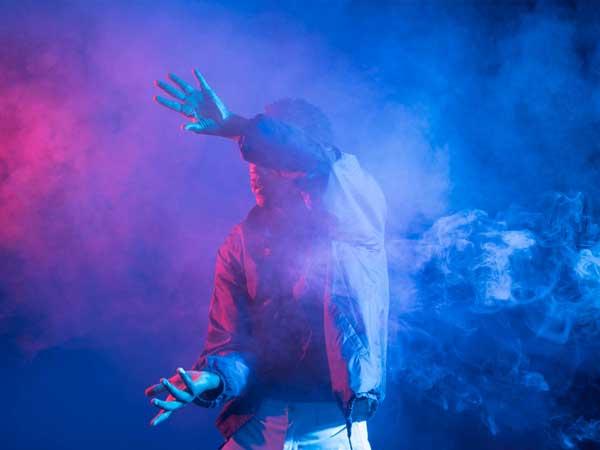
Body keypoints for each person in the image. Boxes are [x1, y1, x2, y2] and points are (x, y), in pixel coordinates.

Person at [145, 69, 389, 450]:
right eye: (253, 157)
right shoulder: (240, 244)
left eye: (267, 158)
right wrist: (213, 378)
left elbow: (321, 163)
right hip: (258, 426)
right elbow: (234, 347)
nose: (255, 169)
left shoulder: (354, 219)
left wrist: (237, 126)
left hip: (333, 431)